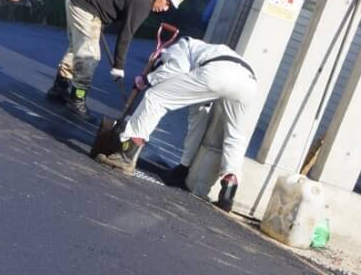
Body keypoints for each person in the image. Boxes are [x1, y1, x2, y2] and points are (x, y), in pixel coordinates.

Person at [94, 30, 259, 201]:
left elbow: (173, 68)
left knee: (155, 97)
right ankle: (229, 186)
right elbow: (198, 119)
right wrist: (184, 165)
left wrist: (147, 79)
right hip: (248, 83)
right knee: (235, 135)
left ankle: (126, 156)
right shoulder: (205, 53)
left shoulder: (181, 46)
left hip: (217, 73)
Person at [46, 0, 187, 120]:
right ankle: (77, 100)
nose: (165, 8)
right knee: (89, 55)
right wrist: (118, 67)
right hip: (84, 2)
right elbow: (126, 34)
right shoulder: (143, 0)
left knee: (79, 47)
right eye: (167, 2)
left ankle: (59, 88)